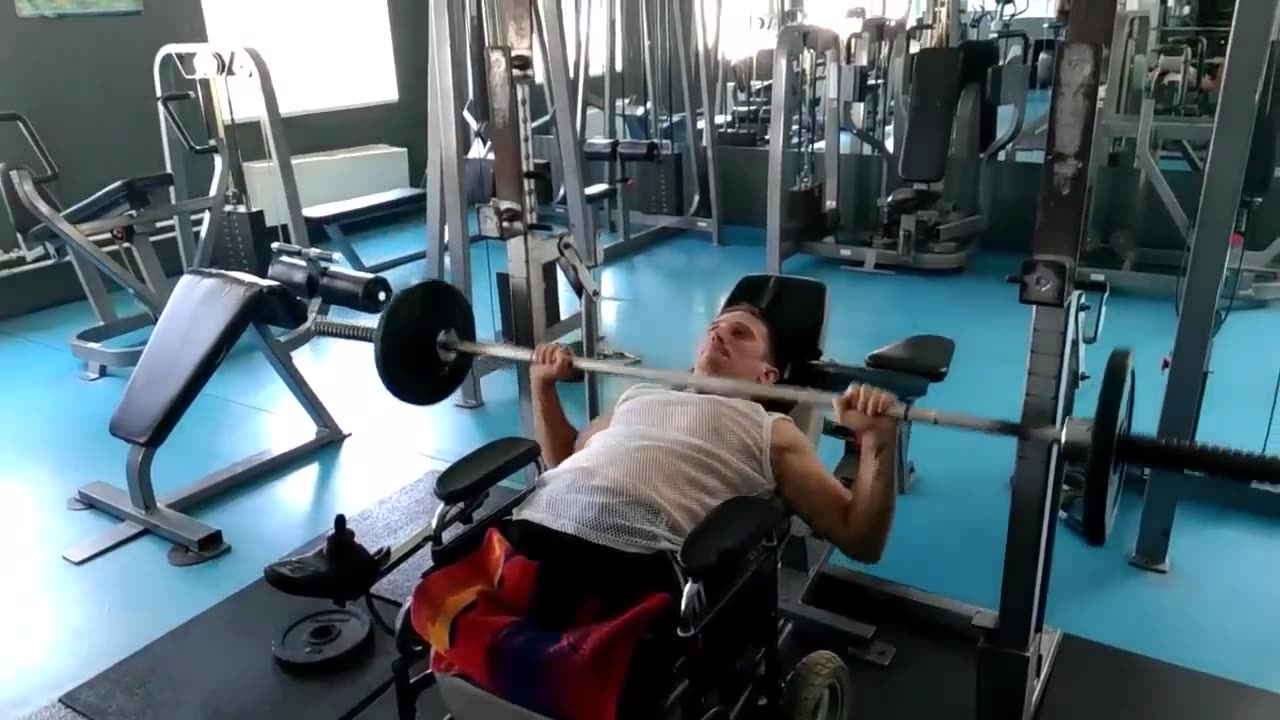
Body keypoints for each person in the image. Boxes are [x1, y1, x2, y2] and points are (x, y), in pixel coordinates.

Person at [412, 303, 900, 720]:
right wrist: (542, 387)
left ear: (767, 375)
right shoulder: (639, 396)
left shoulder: (769, 427)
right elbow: (566, 460)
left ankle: (525, 655)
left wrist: (878, 442)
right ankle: (540, 661)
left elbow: (860, 537)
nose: (718, 333)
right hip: (531, 535)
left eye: (739, 333)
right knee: (443, 592)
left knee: (484, 623)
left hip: (625, 565)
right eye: (715, 326)